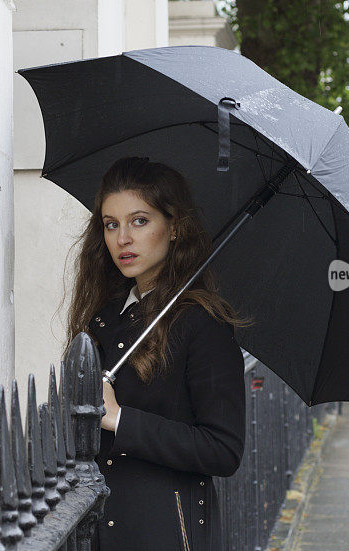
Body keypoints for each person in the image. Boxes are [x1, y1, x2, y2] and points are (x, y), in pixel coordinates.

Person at [64, 156, 247, 551]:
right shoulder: (105, 315)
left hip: (165, 531)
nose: (122, 238)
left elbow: (223, 449)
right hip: (98, 527)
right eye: (111, 224)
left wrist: (120, 419)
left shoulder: (203, 322)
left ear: (175, 227)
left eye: (140, 221)